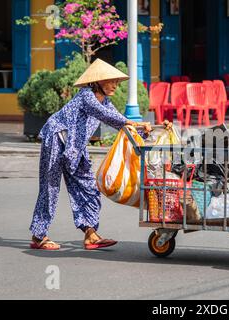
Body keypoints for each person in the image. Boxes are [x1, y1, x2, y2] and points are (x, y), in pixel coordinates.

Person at [29, 58, 162, 250]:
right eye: (112, 81)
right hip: (57, 137)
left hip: (76, 146)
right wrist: (136, 123)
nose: (116, 85)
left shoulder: (105, 101)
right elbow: (107, 116)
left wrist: (150, 129)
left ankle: (91, 234)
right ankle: (39, 236)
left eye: (117, 81)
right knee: (50, 188)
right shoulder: (87, 96)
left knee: (89, 187)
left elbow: (121, 123)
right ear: (98, 82)